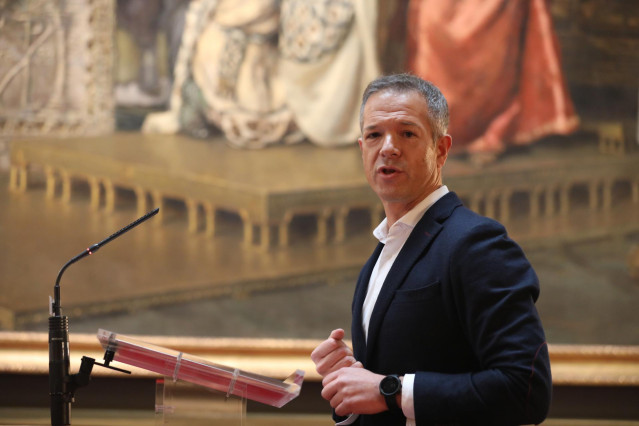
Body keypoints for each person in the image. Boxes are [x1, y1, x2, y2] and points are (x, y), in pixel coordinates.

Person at [310, 73, 552, 425]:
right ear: (363, 150)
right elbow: (385, 390)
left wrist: (388, 390)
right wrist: (349, 382)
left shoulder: (476, 243)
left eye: (407, 133)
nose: (388, 147)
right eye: (375, 134)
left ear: (440, 149)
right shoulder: (379, 257)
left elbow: (526, 391)